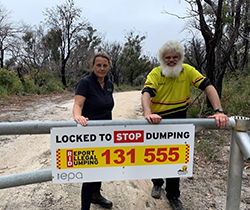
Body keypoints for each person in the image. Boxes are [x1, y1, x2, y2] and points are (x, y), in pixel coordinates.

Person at [141, 40, 229, 210]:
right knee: (156, 154)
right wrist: (147, 113)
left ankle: (174, 196)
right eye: (168, 57)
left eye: (175, 57)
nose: (171, 60)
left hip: (179, 119)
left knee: (176, 157)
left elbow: (208, 86)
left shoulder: (188, 70)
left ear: (180, 57)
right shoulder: (156, 73)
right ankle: (157, 183)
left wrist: (218, 110)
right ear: (162, 58)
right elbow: (146, 93)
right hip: (157, 119)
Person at [73, 52, 114, 210]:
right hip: (90, 134)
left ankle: (96, 196)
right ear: (93, 66)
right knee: (90, 172)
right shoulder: (85, 83)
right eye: (98, 65)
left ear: (108, 66)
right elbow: (78, 104)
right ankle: (85, 207)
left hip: (105, 133)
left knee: (102, 166)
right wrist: (78, 117)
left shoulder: (109, 84)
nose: (102, 68)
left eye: (105, 65)